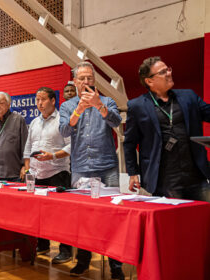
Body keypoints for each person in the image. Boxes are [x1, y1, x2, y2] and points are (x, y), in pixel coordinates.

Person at [59, 61, 124, 279]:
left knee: (112, 217)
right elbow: (64, 131)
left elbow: (116, 122)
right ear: (75, 82)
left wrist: (99, 106)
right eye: (82, 78)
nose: (86, 82)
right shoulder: (68, 106)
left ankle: (116, 266)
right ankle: (83, 261)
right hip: (80, 168)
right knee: (82, 218)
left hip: (107, 166)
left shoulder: (107, 100)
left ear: (94, 80)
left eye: (89, 78)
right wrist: (78, 110)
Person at [124, 56, 210, 201]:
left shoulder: (188, 96)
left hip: (196, 177)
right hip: (165, 180)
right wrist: (133, 173)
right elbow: (130, 143)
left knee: (204, 220)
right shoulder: (137, 106)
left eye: (168, 69)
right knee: (174, 222)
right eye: (163, 72)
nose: (169, 73)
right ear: (149, 81)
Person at [23, 87, 72, 264]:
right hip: (37, 174)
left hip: (58, 173)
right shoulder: (35, 122)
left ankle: (65, 250)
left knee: (61, 215)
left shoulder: (62, 121)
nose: (39, 103)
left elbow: (71, 146)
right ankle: (42, 244)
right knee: (39, 213)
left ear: (53, 101)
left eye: (43, 99)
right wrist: (27, 167)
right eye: (37, 100)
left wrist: (52, 156)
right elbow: (28, 147)